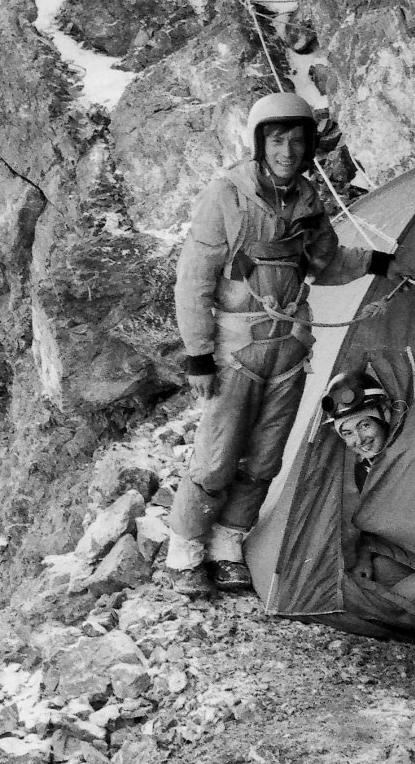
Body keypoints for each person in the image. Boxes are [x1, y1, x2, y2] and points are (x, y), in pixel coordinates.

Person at [158, 91, 394, 597]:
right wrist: (197, 353)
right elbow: (193, 280)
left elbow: (324, 263)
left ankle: (228, 542)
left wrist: (373, 263)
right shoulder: (226, 195)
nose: (287, 150)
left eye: (297, 140)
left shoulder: (308, 200)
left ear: (310, 147)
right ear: (259, 143)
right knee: (218, 454)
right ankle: (184, 546)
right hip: (236, 348)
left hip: (288, 346)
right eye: (277, 139)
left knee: (266, 456)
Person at [321, 370, 415, 612]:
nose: (359, 439)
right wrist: (364, 553)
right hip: (410, 553)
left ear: (384, 415)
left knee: (389, 605)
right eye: (347, 433)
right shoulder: (360, 469)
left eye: (364, 425)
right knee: (373, 578)